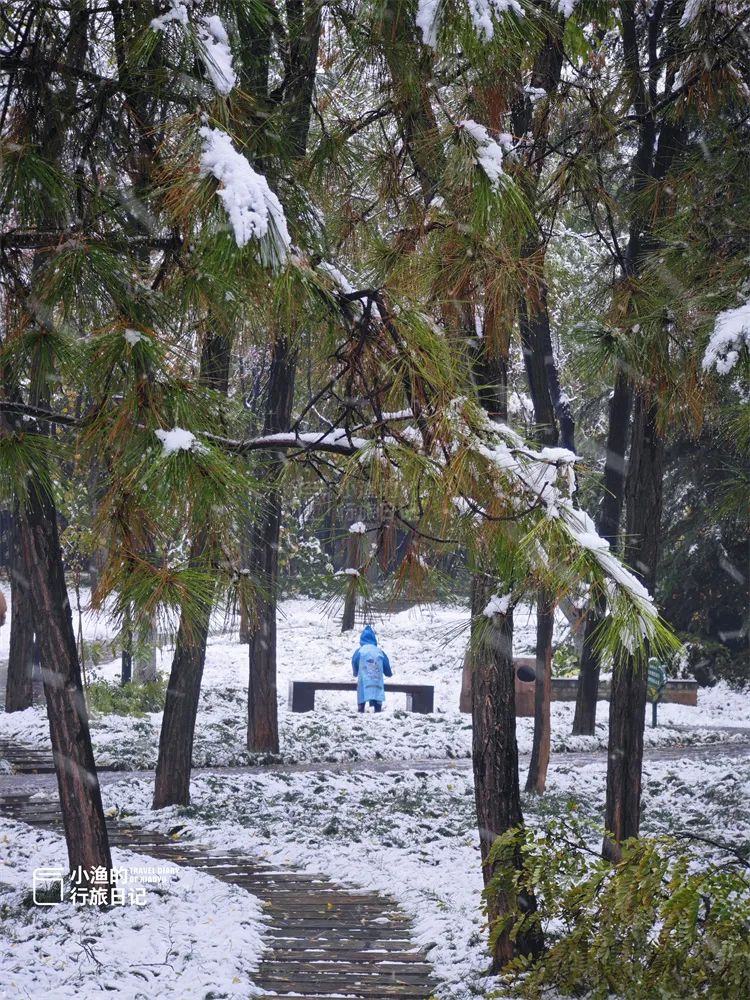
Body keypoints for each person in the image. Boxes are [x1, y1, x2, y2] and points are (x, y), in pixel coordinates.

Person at [352, 625, 391, 713]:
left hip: (364, 679)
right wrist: (388, 673)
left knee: (362, 692)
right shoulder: (379, 651)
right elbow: (386, 663)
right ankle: (378, 709)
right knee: (377, 691)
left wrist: (355, 672)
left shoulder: (360, 651)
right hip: (377, 679)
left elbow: (354, 661)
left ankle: (361, 708)